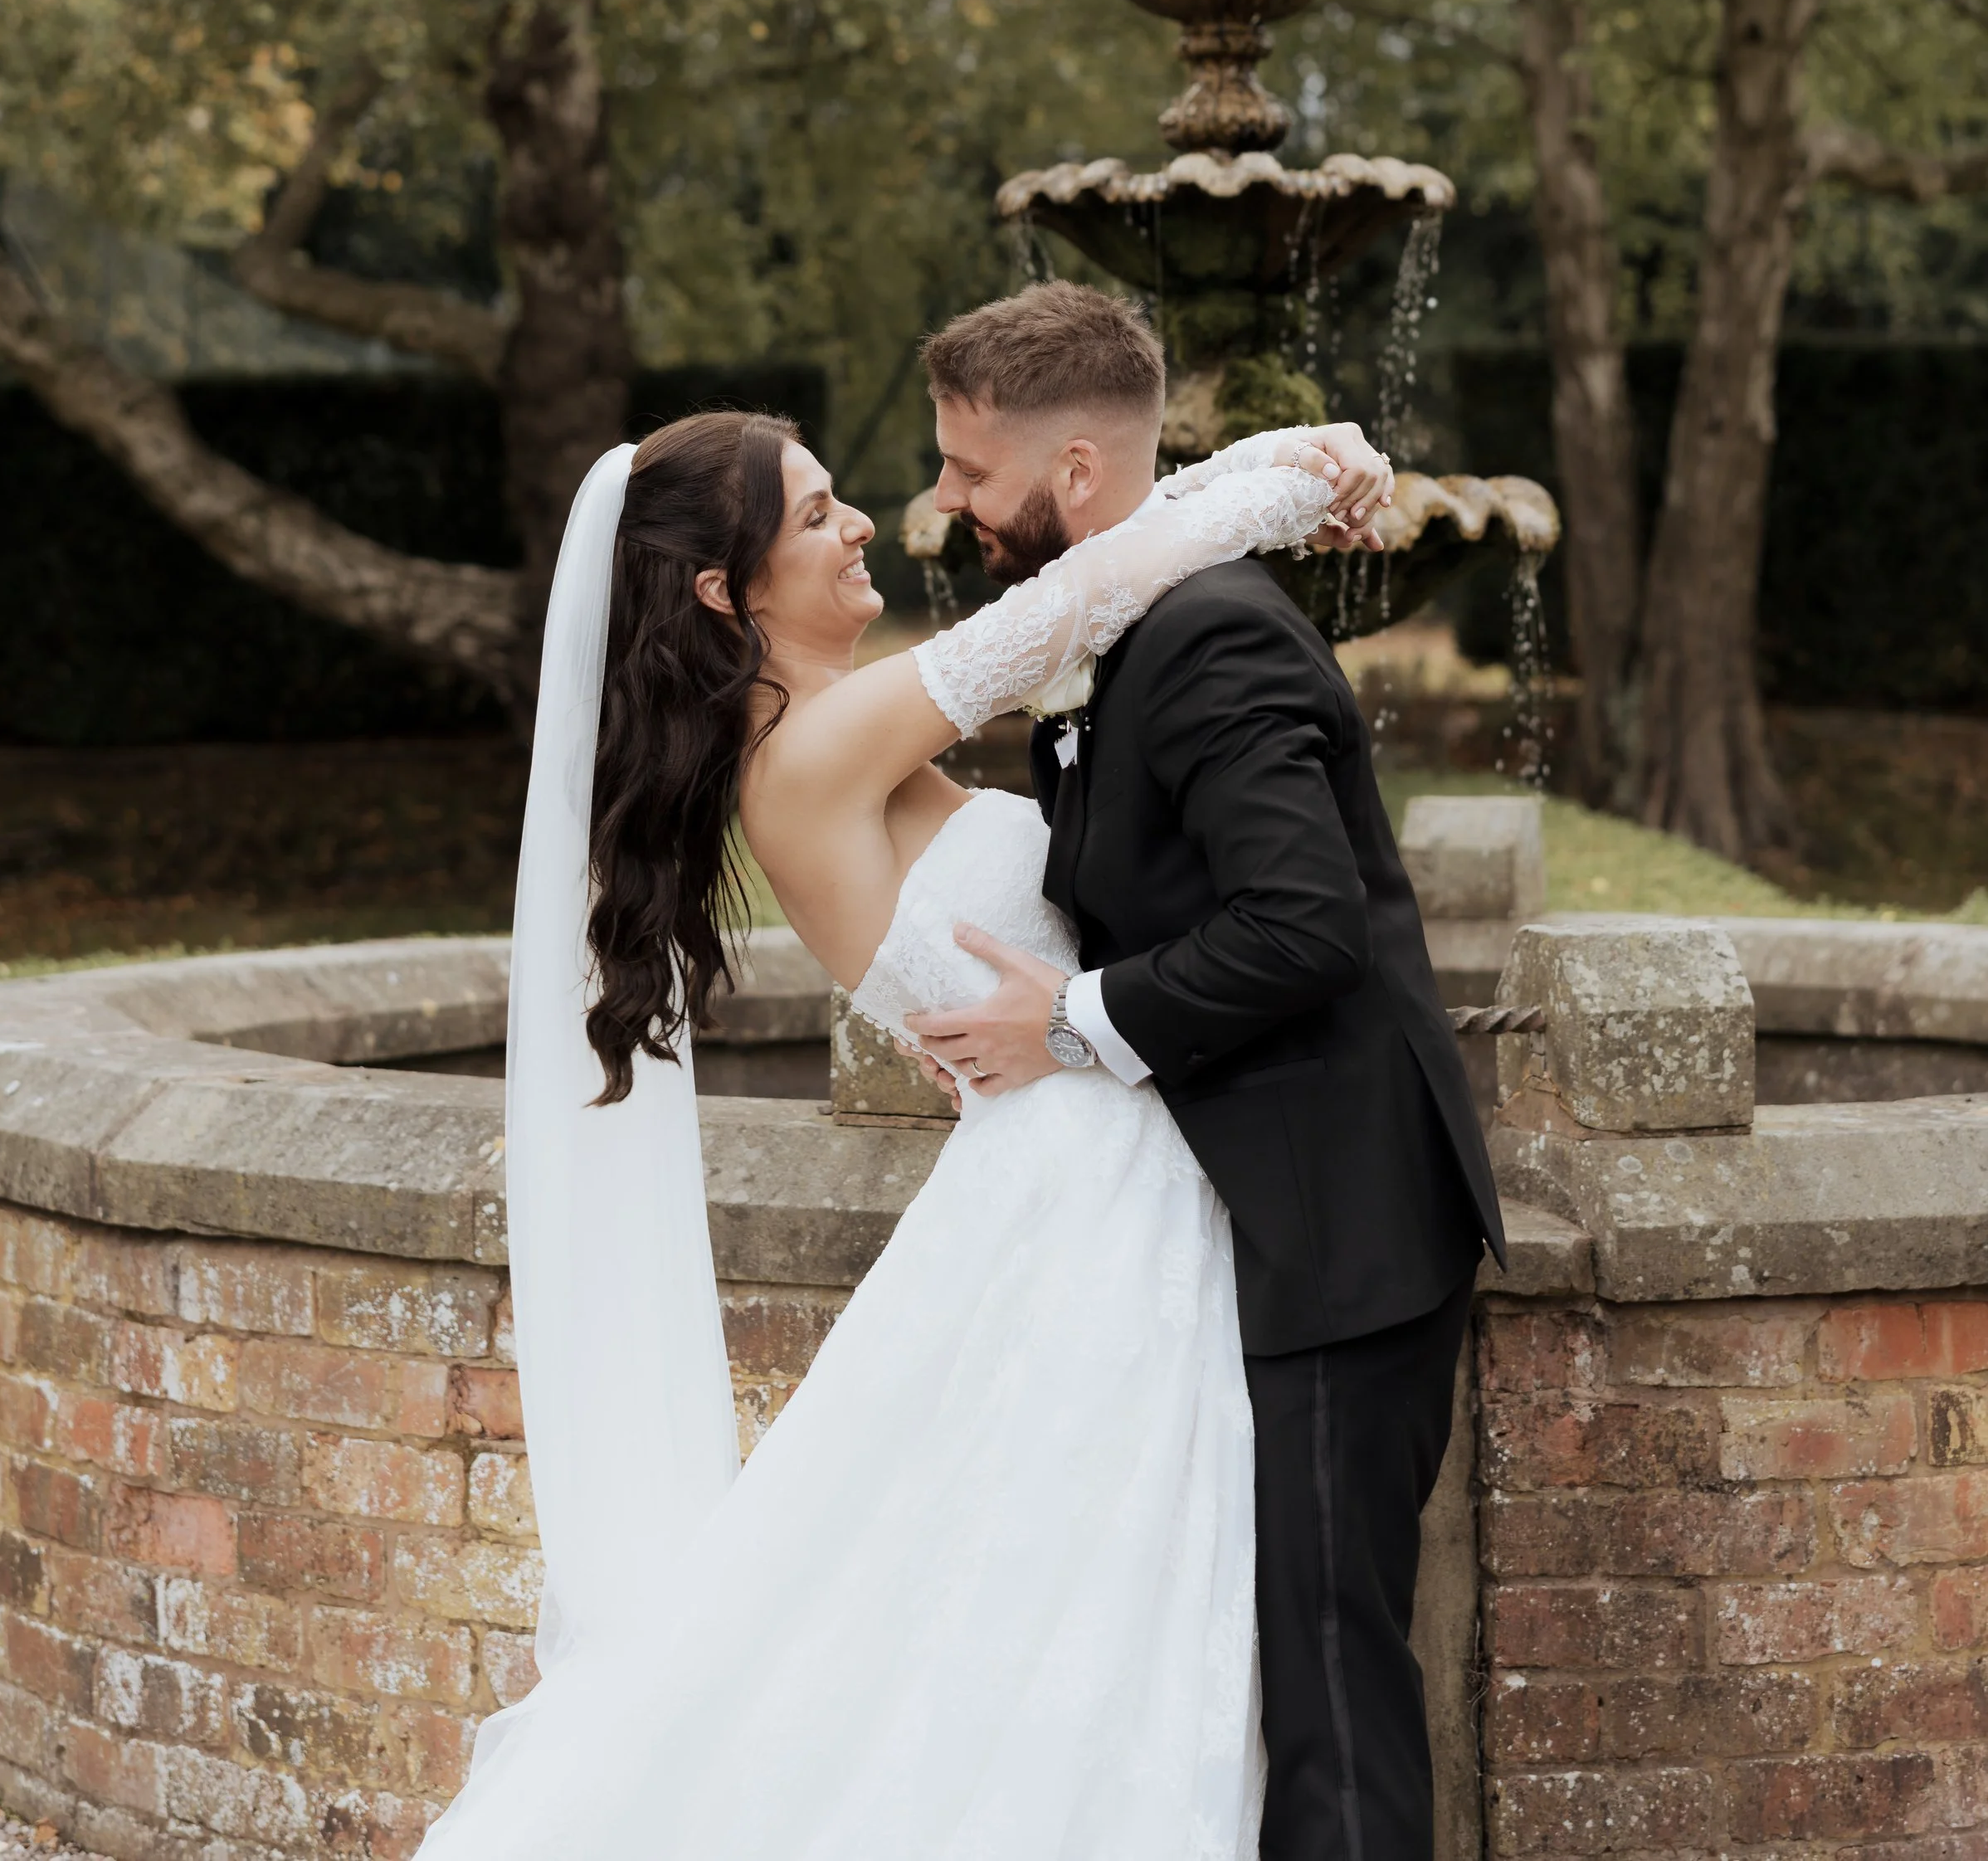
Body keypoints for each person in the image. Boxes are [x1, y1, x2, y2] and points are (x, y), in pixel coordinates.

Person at [415, 341, 1393, 1861]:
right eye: (815, 515)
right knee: (1089, 1590)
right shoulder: (804, 756)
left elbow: (1104, 562)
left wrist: (1281, 462)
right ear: (723, 595)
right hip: (1088, 1190)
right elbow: (1071, 601)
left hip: (1093, 1158)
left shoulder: (828, 730)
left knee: (1062, 1595)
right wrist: (1289, 468)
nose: (864, 520)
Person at [909, 284, 1505, 1861]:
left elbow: (1305, 926)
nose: (949, 503)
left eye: (973, 472)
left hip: (1341, 1233)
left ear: (1081, 475)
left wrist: (1074, 1021)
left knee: (1327, 1687)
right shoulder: (1119, 624)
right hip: (1247, 1219)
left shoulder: (1212, 636)